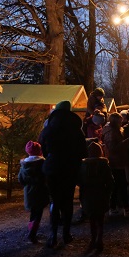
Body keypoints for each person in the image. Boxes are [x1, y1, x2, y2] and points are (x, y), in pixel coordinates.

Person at [39, 100, 87, 248]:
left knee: (55, 200)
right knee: (67, 200)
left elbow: (43, 146)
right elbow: (83, 151)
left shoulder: (49, 127)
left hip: (53, 167)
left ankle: (53, 235)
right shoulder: (76, 129)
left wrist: (52, 157)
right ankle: (66, 234)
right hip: (70, 168)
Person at [79, 141, 114, 255]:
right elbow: (110, 181)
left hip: (88, 196)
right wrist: (108, 193)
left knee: (92, 219)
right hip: (101, 194)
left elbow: (80, 181)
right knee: (100, 219)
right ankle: (99, 238)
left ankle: (93, 239)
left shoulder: (84, 165)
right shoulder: (104, 164)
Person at [18, 140, 50, 243]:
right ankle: (32, 234)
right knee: (38, 214)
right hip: (40, 192)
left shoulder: (24, 165)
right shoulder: (42, 163)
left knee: (33, 213)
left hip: (29, 193)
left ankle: (32, 230)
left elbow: (21, 179)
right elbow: (46, 177)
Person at [101, 112, 129, 216]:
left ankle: (116, 206)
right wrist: (125, 142)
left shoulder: (110, 130)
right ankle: (121, 207)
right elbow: (113, 148)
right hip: (116, 161)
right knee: (120, 184)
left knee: (117, 185)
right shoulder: (113, 132)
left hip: (116, 160)